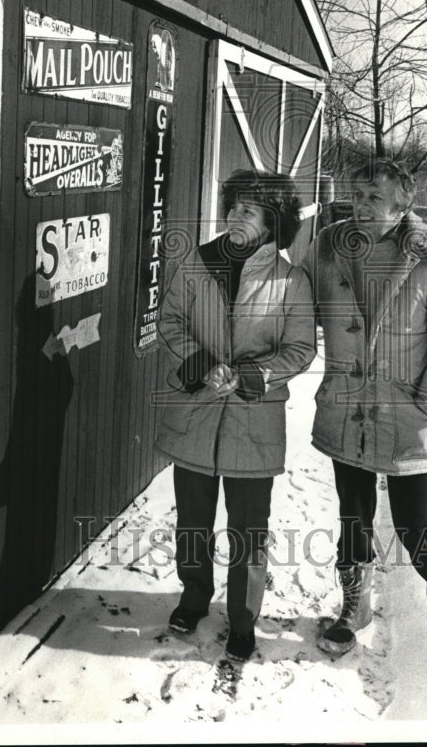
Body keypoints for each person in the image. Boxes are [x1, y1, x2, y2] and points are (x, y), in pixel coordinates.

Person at [305, 158, 427, 657]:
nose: (360, 206)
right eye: (357, 194)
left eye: (373, 197)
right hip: (347, 408)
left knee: (416, 526)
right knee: (352, 516)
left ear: (402, 204)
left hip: (406, 412)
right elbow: (297, 302)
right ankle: (355, 604)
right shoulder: (329, 245)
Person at [156, 169, 316, 662]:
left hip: (253, 419)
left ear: (273, 222)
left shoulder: (290, 280)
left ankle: (244, 619)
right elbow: (171, 321)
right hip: (197, 414)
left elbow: (301, 349)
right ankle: (193, 596)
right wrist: (200, 363)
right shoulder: (196, 264)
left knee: (249, 528)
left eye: (249, 209)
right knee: (193, 520)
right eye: (233, 206)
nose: (235, 216)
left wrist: (257, 376)